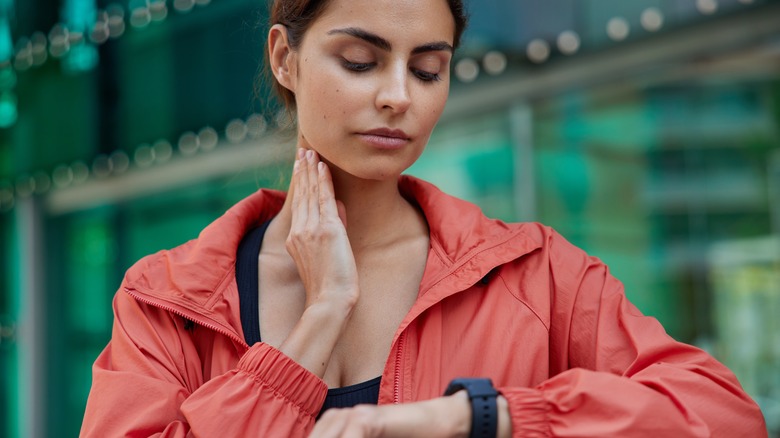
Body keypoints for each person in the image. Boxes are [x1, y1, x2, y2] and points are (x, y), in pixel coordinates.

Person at [80, 0, 768, 436]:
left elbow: (720, 416)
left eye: (429, 69)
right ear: (285, 59)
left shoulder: (537, 276)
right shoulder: (168, 300)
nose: (397, 97)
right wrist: (319, 321)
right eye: (360, 61)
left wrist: (482, 416)